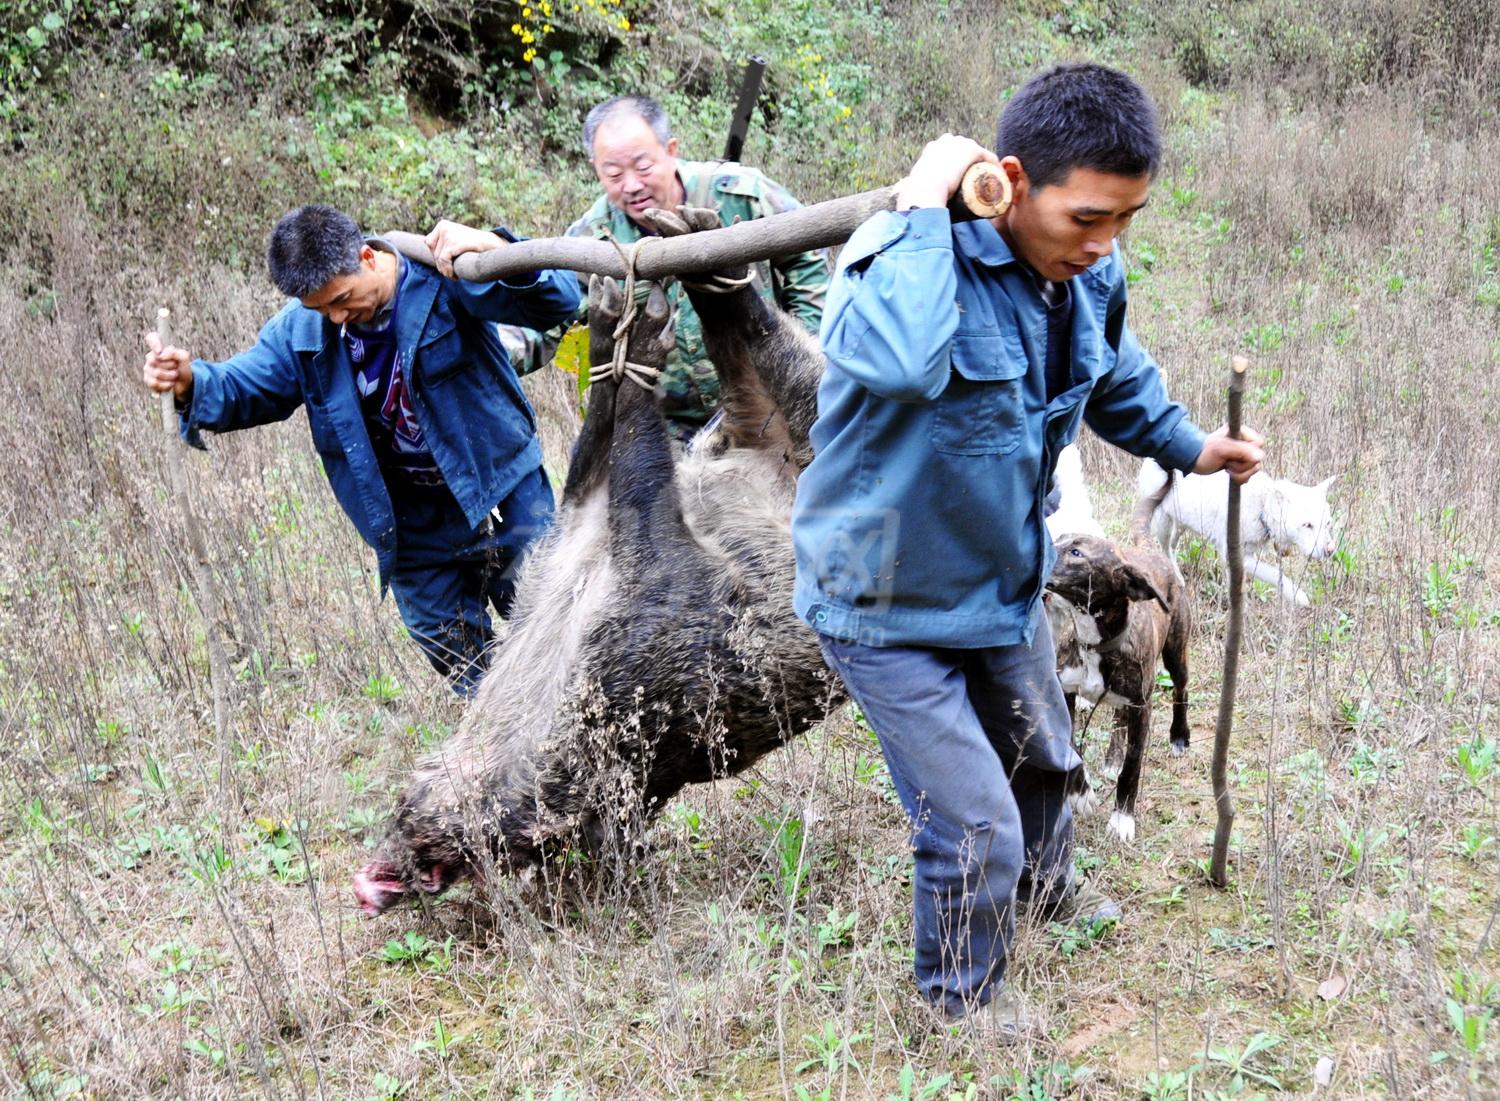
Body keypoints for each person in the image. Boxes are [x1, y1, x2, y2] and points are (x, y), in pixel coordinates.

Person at [790, 64, 1265, 1038]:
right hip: (884, 601)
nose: (1105, 243)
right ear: (1010, 181)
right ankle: (960, 1000)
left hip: (999, 578)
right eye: (1087, 217)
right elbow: (905, 362)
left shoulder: (1084, 276)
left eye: (1124, 219)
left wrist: (1189, 445)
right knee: (973, 821)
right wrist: (924, 208)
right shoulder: (896, 254)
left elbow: (1112, 374)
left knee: (1046, 755)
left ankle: (1049, 889)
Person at [142, 205, 581, 696]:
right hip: (412, 529)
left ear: (367, 257)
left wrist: (496, 249)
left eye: (341, 299)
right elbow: (245, 385)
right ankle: (506, 735)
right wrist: (189, 382)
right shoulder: (304, 332)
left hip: (500, 496)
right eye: (320, 308)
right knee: (465, 667)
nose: (335, 316)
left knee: (553, 630)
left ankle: (585, 727)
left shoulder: (442, 278)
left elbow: (556, 301)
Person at [566, 94, 830, 437]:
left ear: (670, 150)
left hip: (771, 403)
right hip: (670, 424)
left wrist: (805, 353)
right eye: (613, 174)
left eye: (643, 168)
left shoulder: (743, 194)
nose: (631, 186)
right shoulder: (590, 240)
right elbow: (554, 312)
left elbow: (807, 257)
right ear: (595, 168)